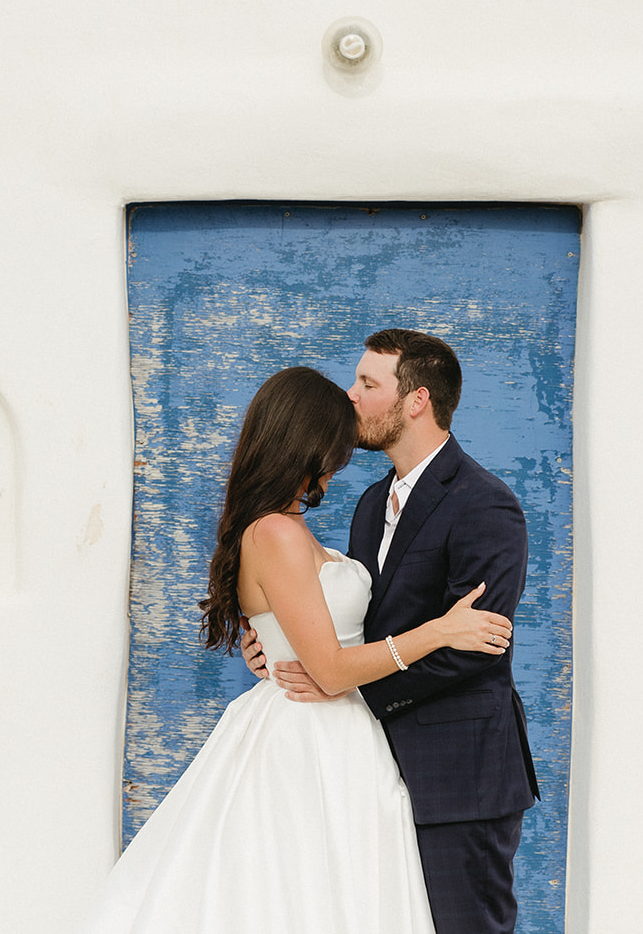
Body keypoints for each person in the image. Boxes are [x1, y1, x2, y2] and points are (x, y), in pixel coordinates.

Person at [82, 366, 513, 934]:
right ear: (307, 441)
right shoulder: (278, 533)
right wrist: (439, 630)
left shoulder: (284, 526)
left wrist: (268, 638)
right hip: (310, 737)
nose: (339, 460)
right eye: (334, 445)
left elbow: (311, 631)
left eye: (367, 384)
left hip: (346, 734)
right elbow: (330, 669)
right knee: (308, 891)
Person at [250, 330, 540, 934]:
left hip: (458, 779)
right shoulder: (368, 503)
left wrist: (340, 684)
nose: (351, 396)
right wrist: (279, 647)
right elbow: (350, 622)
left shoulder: (486, 504)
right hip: (365, 769)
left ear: (416, 401)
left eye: (368, 384)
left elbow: (475, 648)